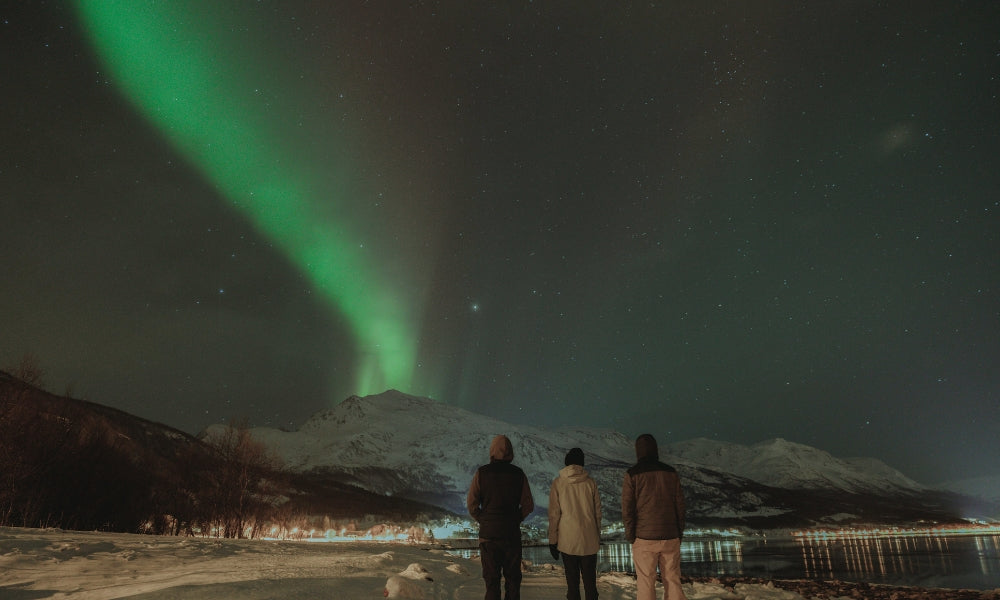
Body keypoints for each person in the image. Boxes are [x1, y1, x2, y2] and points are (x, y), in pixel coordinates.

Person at [467, 434, 535, 600]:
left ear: (492, 451)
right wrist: (516, 519)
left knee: (492, 581)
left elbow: (472, 504)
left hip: (488, 537)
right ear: (510, 452)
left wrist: (484, 519)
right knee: (513, 581)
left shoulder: (481, 473)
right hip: (511, 534)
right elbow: (528, 505)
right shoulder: (518, 474)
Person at [621, 433, 687, 600]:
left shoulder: (632, 474)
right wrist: (679, 532)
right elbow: (680, 506)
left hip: (644, 537)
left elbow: (627, 510)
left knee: (645, 582)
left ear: (638, 451)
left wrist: (631, 535)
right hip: (670, 535)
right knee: (672, 580)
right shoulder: (671, 473)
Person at [548, 447, 602, 600]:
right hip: (589, 540)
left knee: (572, 585)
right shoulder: (591, 483)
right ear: (582, 463)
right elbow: (598, 514)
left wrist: (553, 540)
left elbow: (554, 515)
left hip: (567, 541)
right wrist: (597, 536)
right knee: (590, 585)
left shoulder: (558, 483)